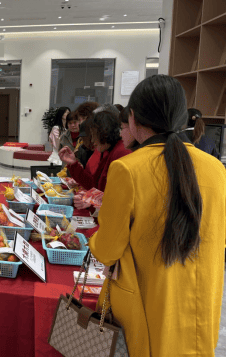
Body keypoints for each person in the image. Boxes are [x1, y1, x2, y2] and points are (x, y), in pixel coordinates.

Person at [89, 75, 226, 356]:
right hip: (200, 311)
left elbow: (107, 250)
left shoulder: (128, 169)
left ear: (133, 118)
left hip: (148, 308)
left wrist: (94, 242)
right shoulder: (216, 169)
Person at [59, 110, 130, 192]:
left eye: (94, 135)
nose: (92, 140)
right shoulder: (107, 150)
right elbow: (94, 185)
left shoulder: (120, 153)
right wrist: (73, 164)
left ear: (104, 133)